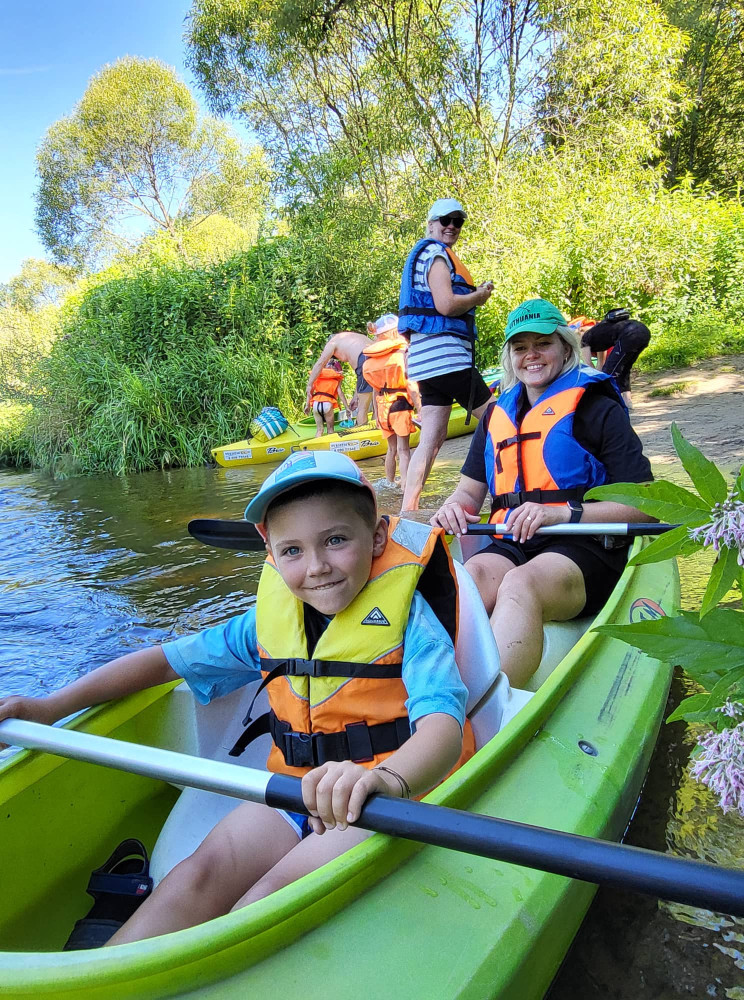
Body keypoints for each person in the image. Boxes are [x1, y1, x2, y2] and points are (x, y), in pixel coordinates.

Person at [0, 451, 471, 945]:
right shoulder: (265, 624)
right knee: (196, 875)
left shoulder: (411, 620)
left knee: (260, 901)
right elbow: (164, 662)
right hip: (296, 788)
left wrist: (385, 780)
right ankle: (98, 978)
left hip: (383, 797)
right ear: (271, 552)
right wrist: (50, 707)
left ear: (376, 537)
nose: (316, 568)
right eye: (292, 551)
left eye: (335, 540)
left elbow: (443, 723)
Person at [431, 297, 653, 688]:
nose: (531, 356)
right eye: (520, 347)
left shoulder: (596, 407)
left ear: (565, 348)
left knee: (521, 584)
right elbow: (468, 494)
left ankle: (481, 712)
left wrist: (563, 513)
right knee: (470, 578)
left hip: (585, 544)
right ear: (509, 356)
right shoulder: (498, 415)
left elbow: (646, 506)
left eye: (542, 344)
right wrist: (451, 509)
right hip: (513, 540)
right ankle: (422, 695)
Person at [398, 198, 495, 511]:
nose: (451, 226)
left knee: (432, 438)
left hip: (425, 363)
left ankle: (407, 511)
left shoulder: (424, 254)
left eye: (458, 221)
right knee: (500, 419)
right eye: (445, 220)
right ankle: (505, 493)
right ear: (430, 224)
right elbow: (446, 305)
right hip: (447, 357)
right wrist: (478, 296)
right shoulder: (436, 254)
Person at [362, 313, 420, 492]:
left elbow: (375, 389)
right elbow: (410, 384)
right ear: (396, 332)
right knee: (403, 450)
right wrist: (420, 408)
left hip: (382, 407)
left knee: (391, 449)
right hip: (400, 405)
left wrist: (375, 415)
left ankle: (389, 482)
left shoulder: (371, 359)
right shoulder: (403, 353)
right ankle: (406, 487)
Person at [579, 308, 651, 408]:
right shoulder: (599, 332)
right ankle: (627, 401)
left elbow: (589, 367)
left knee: (610, 371)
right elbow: (600, 364)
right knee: (625, 368)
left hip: (630, 334)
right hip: (643, 331)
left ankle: (606, 403)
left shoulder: (583, 339)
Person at [306, 330, 376, 427]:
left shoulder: (332, 343)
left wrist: (309, 384)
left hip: (365, 360)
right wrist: (356, 397)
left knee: (363, 408)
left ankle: (362, 433)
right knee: (377, 404)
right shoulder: (353, 338)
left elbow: (320, 363)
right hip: (380, 357)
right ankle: (377, 432)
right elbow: (361, 376)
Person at [305, 357, 349, 437]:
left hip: (316, 404)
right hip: (327, 404)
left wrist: (307, 405)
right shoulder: (336, 378)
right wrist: (347, 407)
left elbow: (309, 392)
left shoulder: (318, 376)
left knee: (319, 430)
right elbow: (340, 393)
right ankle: (330, 447)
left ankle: (316, 447)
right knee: (330, 430)